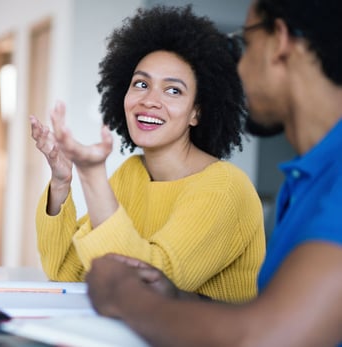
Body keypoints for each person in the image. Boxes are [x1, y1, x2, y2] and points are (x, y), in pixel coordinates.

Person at [86, 0, 342, 345]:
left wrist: (123, 295)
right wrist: (176, 296)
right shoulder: (304, 181)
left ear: (279, 41)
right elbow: (270, 313)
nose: (241, 69)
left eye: (246, 44)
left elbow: (267, 338)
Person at [30, 5, 265, 303]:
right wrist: (62, 184)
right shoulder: (132, 173)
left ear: (197, 112)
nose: (150, 100)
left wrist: (93, 176)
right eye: (141, 84)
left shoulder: (225, 189)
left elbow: (151, 285)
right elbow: (66, 271)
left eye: (173, 91)